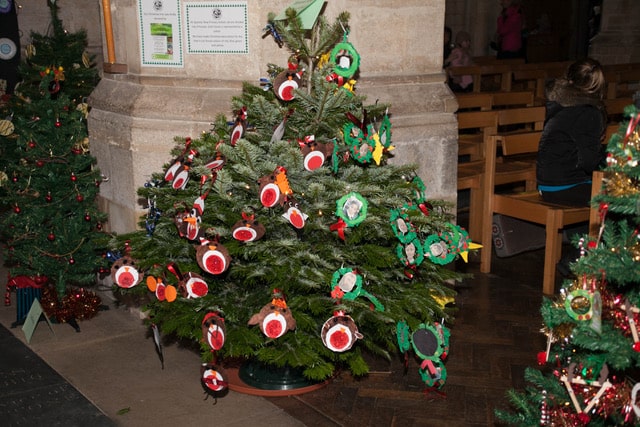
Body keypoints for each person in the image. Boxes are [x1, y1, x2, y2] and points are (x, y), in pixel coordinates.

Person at [536, 57, 607, 207]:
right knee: (627, 195)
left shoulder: (560, 102)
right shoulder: (589, 112)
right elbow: (589, 162)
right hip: (567, 186)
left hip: (547, 184)